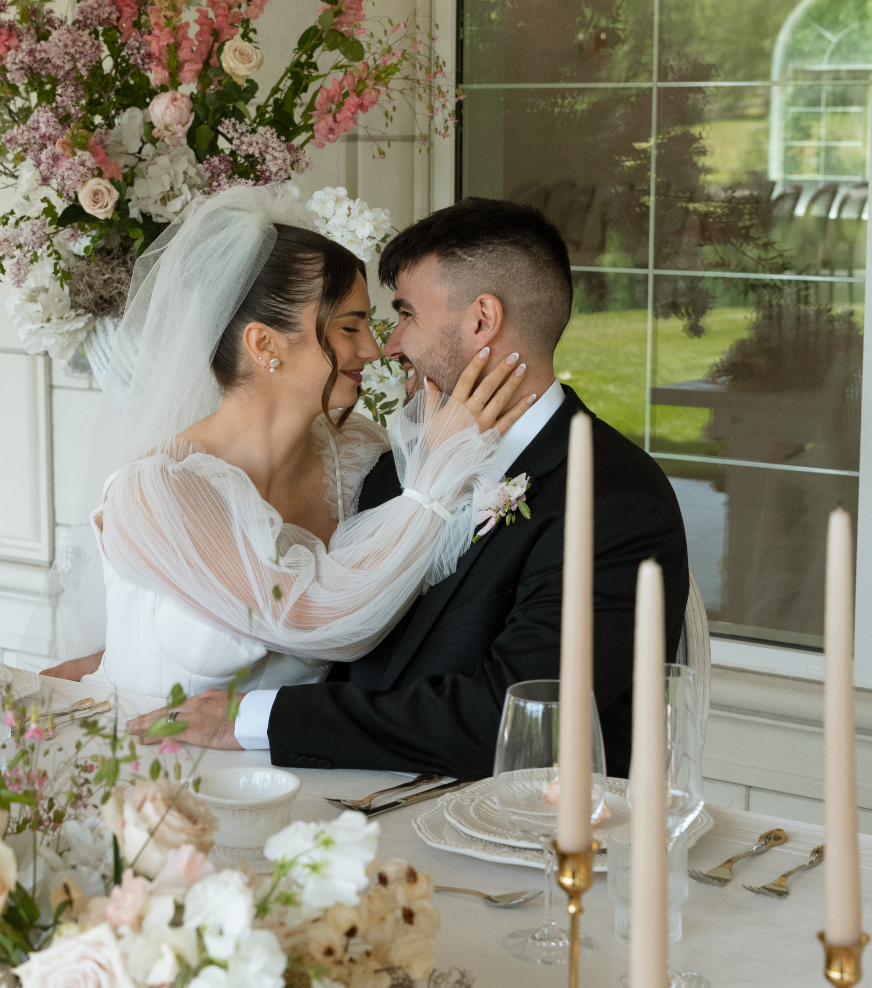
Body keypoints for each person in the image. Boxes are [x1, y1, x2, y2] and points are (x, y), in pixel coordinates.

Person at [160, 197, 689, 778]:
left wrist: (254, 717)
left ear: (482, 321)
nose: (387, 346)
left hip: (515, 843)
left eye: (406, 315)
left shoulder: (615, 502)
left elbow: (511, 721)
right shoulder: (395, 469)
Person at [42, 185, 531, 717]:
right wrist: (436, 477)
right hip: (145, 771)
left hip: (300, 778)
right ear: (264, 345)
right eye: (350, 327)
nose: (372, 349)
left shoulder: (360, 452)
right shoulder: (155, 492)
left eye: (370, 324)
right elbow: (318, 619)